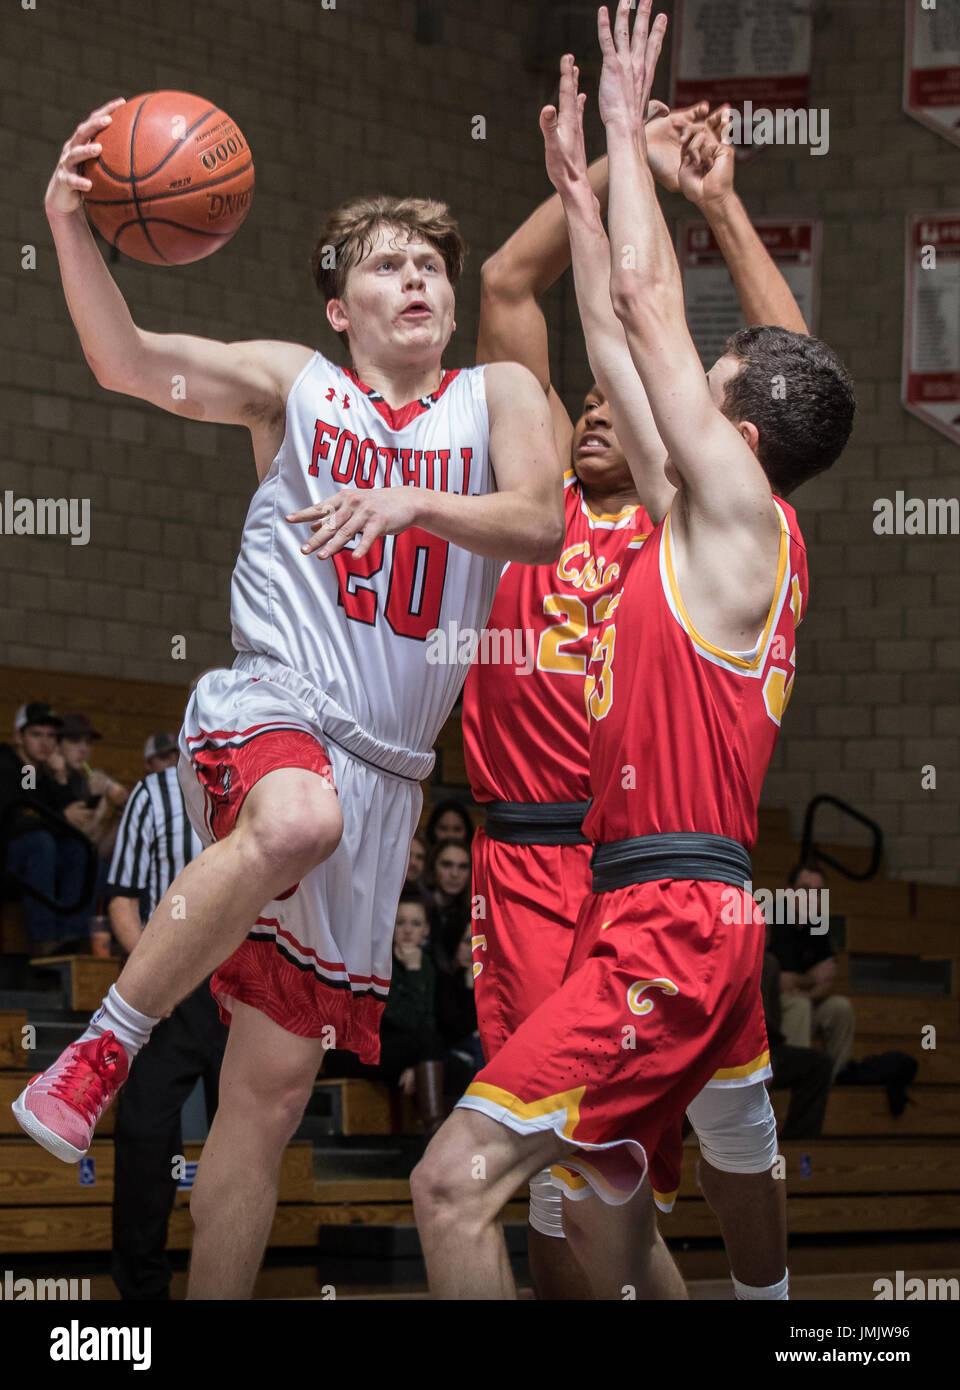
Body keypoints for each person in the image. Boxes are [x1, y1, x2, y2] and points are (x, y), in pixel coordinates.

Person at [14, 97, 564, 1300]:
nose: (414, 279)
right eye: (385, 265)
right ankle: (98, 1050)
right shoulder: (295, 387)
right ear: (338, 306)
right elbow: (126, 361)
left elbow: (539, 520)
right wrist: (69, 225)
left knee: (268, 1098)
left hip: (391, 776)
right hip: (279, 702)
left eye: (430, 266)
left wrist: (416, 506)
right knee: (295, 818)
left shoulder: (501, 399)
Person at [411, 0, 855, 1300]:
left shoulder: (735, 519)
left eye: (712, 382)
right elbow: (622, 329)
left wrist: (625, 117)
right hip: (638, 896)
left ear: (745, 435)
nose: (680, 384)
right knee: (603, 1187)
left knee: (456, 1184)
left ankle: (772, 1301)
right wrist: (591, 205)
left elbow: (664, 320)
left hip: (659, 911)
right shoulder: (701, 512)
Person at [105, 746, 224, 1301]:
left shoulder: (260, 790)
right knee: (146, 1133)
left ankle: (222, 1282)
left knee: (242, 1141)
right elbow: (123, 902)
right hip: (171, 987)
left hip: (241, 988)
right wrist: (156, 974)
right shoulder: (152, 793)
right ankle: (142, 1289)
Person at [325, 894, 446, 1136]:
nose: (408, 931)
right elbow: (407, 1020)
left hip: (396, 1051)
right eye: (400, 923)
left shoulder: (427, 965)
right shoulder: (377, 963)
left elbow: (427, 1022)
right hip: (351, 1052)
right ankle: (434, 1133)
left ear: (426, 931)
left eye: (416, 924)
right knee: (432, 1043)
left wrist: (415, 1064)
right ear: (389, 926)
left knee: (451, 1058)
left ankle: (434, 1132)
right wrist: (412, 971)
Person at [0, 702, 91, 952]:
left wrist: (61, 779)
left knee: (77, 848)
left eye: (51, 736)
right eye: (36, 734)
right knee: (40, 842)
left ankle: (74, 935)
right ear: (18, 736)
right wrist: (62, 816)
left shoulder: (35, 771)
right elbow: (18, 819)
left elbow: (70, 820)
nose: (45, 743)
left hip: (32, 861)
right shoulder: (6, 764)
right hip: (8, 861)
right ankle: (45, 937)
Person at [771, 862, 854, 1081]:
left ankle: (832, 1081)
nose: (812, 897)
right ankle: (796, 1081)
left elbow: (827, 981)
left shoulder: (817, 925)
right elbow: (777, 982)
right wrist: (810, 978)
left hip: (803, 1000)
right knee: (799, 1005)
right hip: (771, 1009)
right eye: (805, 889)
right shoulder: (770, 919)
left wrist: (805, 990)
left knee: (840, 1007)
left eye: (818, 892)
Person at [761, 948, 832, 1141]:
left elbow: (774, 1013)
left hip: (768, 1045)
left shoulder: (770, 963)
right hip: (736, 1048)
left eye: (768, 930)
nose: (765, 933)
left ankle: (798, 1142)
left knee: (819, 1065)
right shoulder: (730, 957)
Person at [425, 837, 472, 964]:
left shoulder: (474, 916)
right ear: (433, 867)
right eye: (447, 864)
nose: (455, 873)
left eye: (463, 867)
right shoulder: (417, 908)